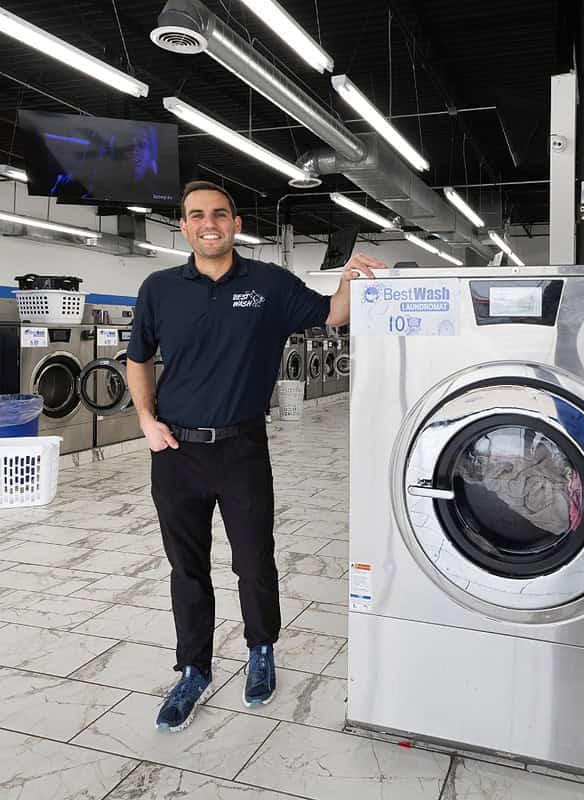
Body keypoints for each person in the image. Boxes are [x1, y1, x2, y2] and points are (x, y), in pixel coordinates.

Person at [126, 180, 383, 732]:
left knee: (253, 561)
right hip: (174, 450)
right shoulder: (159, 287)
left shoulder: (267, 284)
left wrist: (345, 282)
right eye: (196, 215)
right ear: (185, 227)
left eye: (219, 213)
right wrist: (146, 421)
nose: (208, 222)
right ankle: (192, 668)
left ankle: (260, 649)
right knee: (186, 568)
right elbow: (139, 359)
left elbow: (332, 316)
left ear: (236, 224)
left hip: (241, 446)